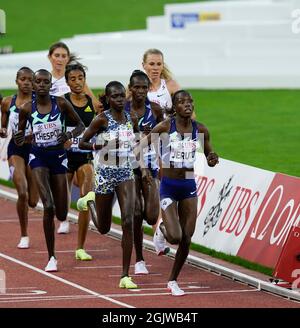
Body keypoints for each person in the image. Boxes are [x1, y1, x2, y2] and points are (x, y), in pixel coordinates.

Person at [137, 90, 219, 296]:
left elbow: (209, 152)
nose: (187, 104)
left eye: (190, 101)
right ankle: (162, 230)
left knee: (187, 238)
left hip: (189, 186)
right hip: (169, 186)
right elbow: (139, 147)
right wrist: (145, 169)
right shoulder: (165, 126)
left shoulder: (200, 129)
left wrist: (212, 158)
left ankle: (173, 280)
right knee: (175, 237)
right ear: (175, 107)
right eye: (182, 102)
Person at [14, 69, 85, 272]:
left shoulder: (60, 103)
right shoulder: (27, 109)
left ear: (50, 84)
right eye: (39, 82)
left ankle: (61, 217)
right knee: (49, 206)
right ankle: (51, 257)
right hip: (38, 158)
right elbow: (22, 136)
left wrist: (68, 135)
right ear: (35, 85)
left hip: (59, 157)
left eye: (46, 81)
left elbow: (80, 125)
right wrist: (21, 139)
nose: (42, 84)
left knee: (62, 212)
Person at [77, 81, 139, 289]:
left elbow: (137, 141)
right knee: (103, 228)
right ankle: (90, 201)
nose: (120, 99)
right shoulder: (102, 120)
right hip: (105, 173)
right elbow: (82, 143)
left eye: (122, 95)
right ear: (108, 99)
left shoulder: (132, 118)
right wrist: (101, 144)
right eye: (115, 96)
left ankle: (125, 275)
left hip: (125, 173)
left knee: (128, 221)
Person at [48, 41, 102, 234]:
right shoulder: (47, 81)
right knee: (61, 193)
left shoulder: (78, 81)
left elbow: (94, 107)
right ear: (50, 58)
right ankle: (62, 216)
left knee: (84, 181)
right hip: (59, 141)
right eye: (57, 55)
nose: (60, 59)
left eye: (64, 56)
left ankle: (83, 209)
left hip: (80, 143)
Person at [142, 48, 181, 254]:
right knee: (153, 192)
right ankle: (157, 227)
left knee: (170, 189)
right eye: (151, 64)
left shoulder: (171, 86)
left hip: (169, 145)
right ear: (144, 65)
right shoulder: (137, 87)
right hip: (144, 146)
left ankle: (160, 229)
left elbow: (189, 114)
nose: (155, 68)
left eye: (158, 64)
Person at [125, 70, 163, 274]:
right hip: (126, 165)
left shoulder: (155, 110)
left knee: (151, 216)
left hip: (149, 165)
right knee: (137, 212)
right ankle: (139, 260)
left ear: (148, 88)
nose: (140, 91)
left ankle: (159, 232)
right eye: (136, 87)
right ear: (130, 88)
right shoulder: (121, 109)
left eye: (144, 87)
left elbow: (164, 138)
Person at [0, 67, 39, 248]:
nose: (26, 83)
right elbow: (4, 123)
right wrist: (2, 130)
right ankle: (24, 235)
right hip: (15, 150)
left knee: (33, 201)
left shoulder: (39, 103)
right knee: (22, 192)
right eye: (23, 79)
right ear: (17, 81)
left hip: (35, 150)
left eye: (30, 80)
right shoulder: (8, 102)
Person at [64, 64, 96, 260]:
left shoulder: (92, 103)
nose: (77, 82)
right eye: (73, 79)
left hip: (84, 156)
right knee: (60, 208)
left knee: (86, 197)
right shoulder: (61, 102)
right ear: (67, 82)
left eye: (81, 78)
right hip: (63, 158)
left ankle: (80, 247)